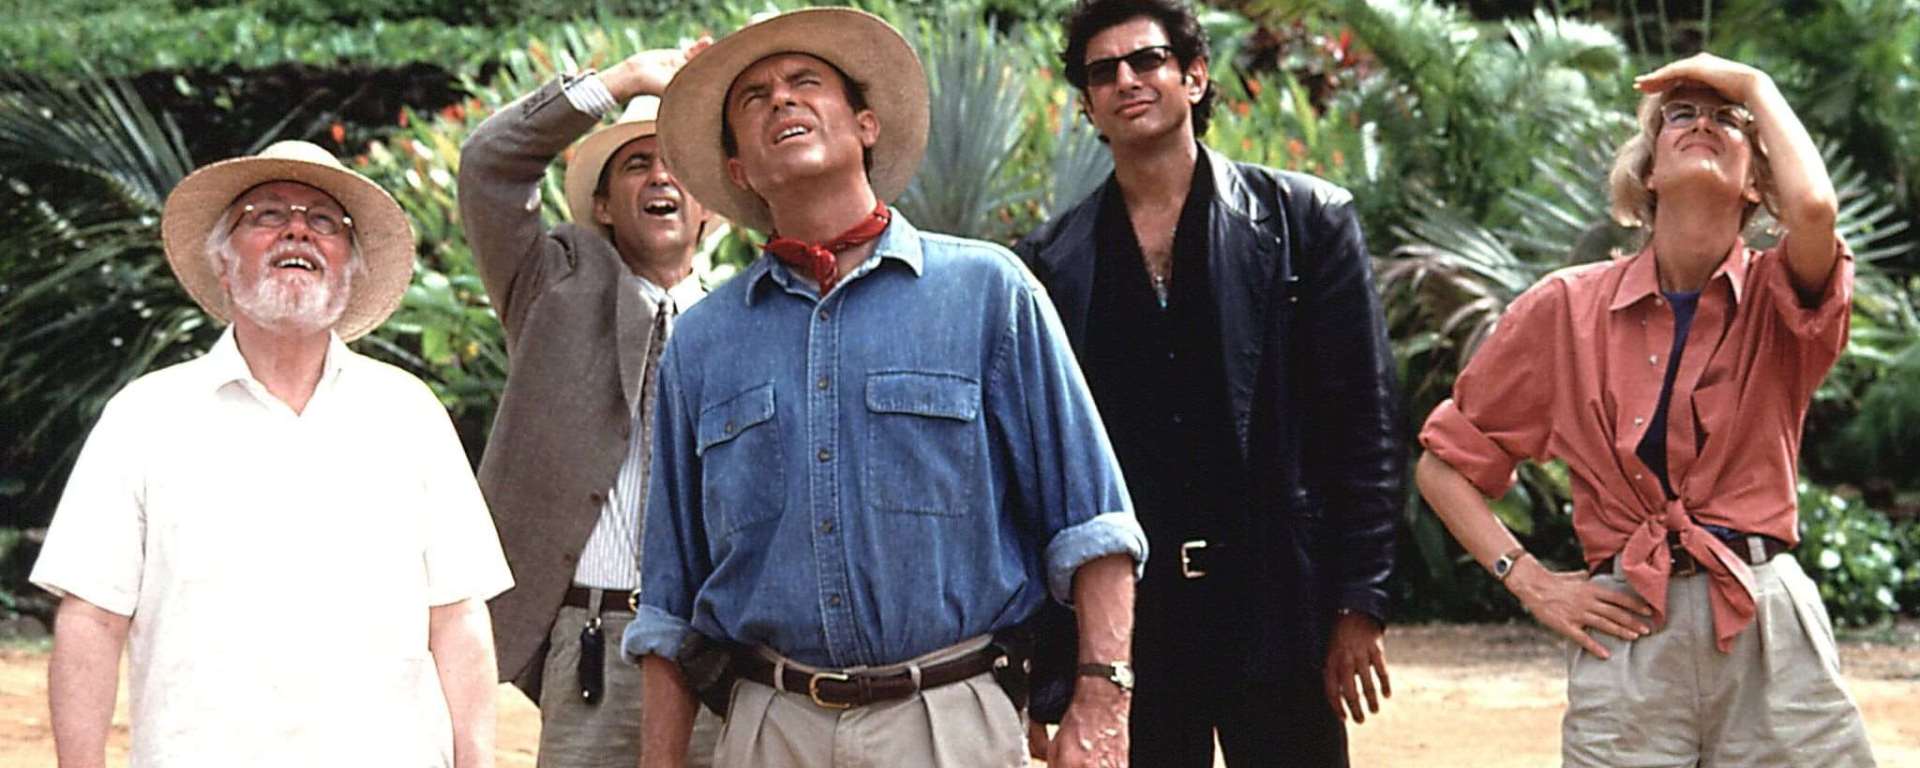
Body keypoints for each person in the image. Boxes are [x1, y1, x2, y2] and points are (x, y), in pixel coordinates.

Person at [622, 8, 1148, 768]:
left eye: (806, 82)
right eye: (753, 98)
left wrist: (1103, 699)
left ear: (866, 125)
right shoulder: (702, 343)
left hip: (949, 718)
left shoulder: (988, 292)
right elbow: (670, 597)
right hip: (771, 727)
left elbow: (1093, 522)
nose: (781, 99)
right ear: (738, 170)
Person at [1416, 53, 1876, 766]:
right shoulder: (1565, 308)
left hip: (1766, 623)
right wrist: (1531, 582)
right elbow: (1443, 467)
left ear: (1757, 183)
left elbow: (1814, 209)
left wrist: (1754, 85)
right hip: (1628, 625)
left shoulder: (1781, 295)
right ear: (1649, 172)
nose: (1703, 125)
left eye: (1728, 121)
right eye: (1680, 116)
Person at [31, 140, 514, 767]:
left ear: (350, 271)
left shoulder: (409, 413)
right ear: (223, 264)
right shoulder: (146, 416)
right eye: (267, 215)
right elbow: (92, 618)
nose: (298, 231)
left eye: (325, 221)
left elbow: (457, 616)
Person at [1014, 1, 1402, 765]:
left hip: (1277, 602)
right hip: (1133, 623)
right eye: (1103, 72)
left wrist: (1362, 601)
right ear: (1088, 104)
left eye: (1148, 60)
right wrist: (1049, 667)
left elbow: (1365, 422)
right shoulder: (1051, 262)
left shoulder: (1306, 221)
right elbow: (1039, 473)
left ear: (1193, 77)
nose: (1127, 80)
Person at [458, 43, 724, 767]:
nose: (660, 176)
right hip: (592, 645)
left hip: (717, 651)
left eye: (678, 164)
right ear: (602, 205)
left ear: (709, 206)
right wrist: (626, 80)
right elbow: (489, 166)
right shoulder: (552, 288)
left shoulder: (746, 320)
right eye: (636, 164)